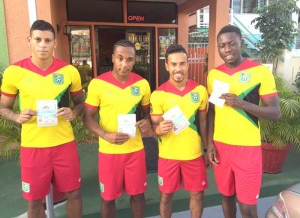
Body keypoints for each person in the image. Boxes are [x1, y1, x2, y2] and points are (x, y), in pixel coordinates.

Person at [0, 20, 83, 218]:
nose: (42, 45)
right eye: (38, 39)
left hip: (64, 144)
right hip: (33, 147)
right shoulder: (15, 72)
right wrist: (16, 116)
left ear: (55, 43)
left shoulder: (69, 71)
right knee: (34, 200)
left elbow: (80, 103)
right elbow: (4, 107)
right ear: (29, 40)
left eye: (47, 40)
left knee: (74, 193)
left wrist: (74, 112)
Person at [207, 25, 281, 218]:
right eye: (222, 45)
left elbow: (275, 113)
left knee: (247, 207)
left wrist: (241, 104)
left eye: (232, 44)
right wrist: (209, 144)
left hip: (247, 149)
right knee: (226, 197)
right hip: (221, 147)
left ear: (242, 43)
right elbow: (211, 112)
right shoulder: (214, 75)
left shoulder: (260, 72)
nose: (227, 49)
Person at [83, 39, 152, 218]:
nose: (124, 64)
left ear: (134, 61)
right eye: (120, 58)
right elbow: (87, 118)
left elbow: (146, 114)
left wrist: (147, 122)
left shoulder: (142, 84)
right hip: (108, 152)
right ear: (113, 58)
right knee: (108, 198)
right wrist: (105, 135)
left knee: (138, 195)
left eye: (129, 59)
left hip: (135, 150)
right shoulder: (98, 84)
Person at [150, 44, 209, 218]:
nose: (178, 68)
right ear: (167, 66)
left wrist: (206, 149)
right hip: (168, 156)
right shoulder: (158, 94)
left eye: (182, 63)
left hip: (194, 155)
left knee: (198, 195)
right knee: (166, 196)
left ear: (188, 64)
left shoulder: (200, 91)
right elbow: (154, 128)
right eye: (174, 64)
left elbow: (203, 123)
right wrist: (159, 129)